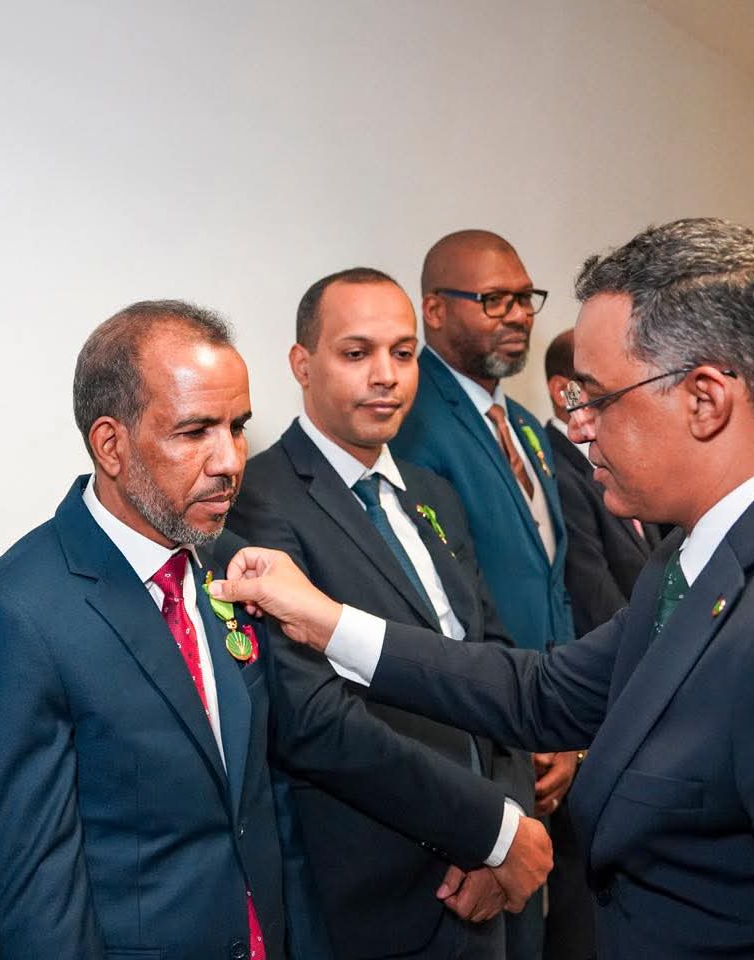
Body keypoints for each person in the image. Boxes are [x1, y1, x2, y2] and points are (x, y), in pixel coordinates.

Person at [210, 218, 754, 960]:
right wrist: (330, 621)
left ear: (705, 400)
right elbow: (544, 690)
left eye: (598, 399)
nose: (577, 429)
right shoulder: (696, 557)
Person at [0, 302, 332, 960]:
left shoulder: (234, 565)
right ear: (111, 445)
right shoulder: (12, 614)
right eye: (195, 431)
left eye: (237, 427)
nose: (229, 460)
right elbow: (36, 894)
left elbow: (266, 799)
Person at [227, 267, 548, 960]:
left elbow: (493, 664)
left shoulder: (433, 493)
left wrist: (509, 822)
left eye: (403, 353)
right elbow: (312, 718)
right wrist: (488, 831)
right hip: (385, 892)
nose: (386, 376)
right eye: (357, 353)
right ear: (302, 364)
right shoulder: (259, 500)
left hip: (497, 878)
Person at [391, 229, 575, 959]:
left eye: (525, 298)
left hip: (546, 729)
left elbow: (550, 582)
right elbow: (441, 614)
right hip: (484, 737)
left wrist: (568, 719)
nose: (518, 314)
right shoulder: (412, 423)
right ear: (434, 310)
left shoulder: (522, 425)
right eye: (494, 299)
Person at [544, 329, 663, 634]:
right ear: (563, 392)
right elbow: (594, 594)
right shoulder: (556, 471)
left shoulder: (625, 454)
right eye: (598, 382)